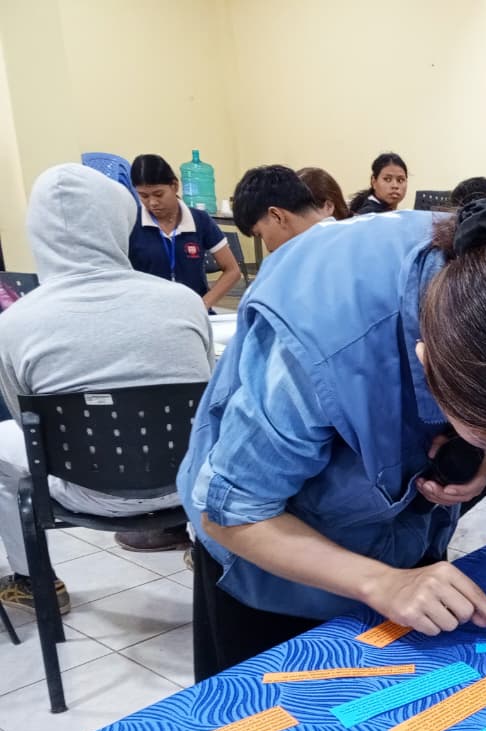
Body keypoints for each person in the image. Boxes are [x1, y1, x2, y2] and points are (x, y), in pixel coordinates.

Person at [178, 198, 486, 680]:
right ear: (427, 362)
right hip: (270, 563)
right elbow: (233, 513)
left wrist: (484, 458)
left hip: (393, 544)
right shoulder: (320, 345)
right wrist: (381, 583)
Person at [0, 164, 212, 613]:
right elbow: (207, 400)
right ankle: (206, 549)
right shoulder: (184, 302)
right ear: (122, 221)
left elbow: (26, 420)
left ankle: (34, 583)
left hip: (83, 488)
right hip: (189, 482)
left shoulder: (14, 323)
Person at [128, 154, 242, 309]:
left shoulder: (200, 220)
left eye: (159, 194)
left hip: (194, 312)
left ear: (174, 186)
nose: (152, 203)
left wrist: (203, 305)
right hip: (149, 313)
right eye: (144, 196)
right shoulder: (131, 223)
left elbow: (232, 271)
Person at [231, 165, 328, 253]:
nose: (268, 248)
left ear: (277, 216)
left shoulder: (285, 261)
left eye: (260, 234)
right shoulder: (335, 237)